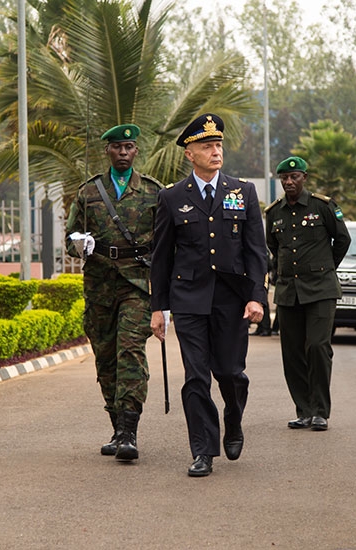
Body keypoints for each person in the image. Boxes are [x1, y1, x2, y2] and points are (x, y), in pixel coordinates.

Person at [149, 113, 268, 477]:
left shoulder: (242, 191)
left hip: (232, 299)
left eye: (218, 145)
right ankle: (203, 450)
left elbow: (256, 251)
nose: (215, 152)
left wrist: (256, 297)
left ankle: (233, 418)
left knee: (231, 373)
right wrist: (159, 308)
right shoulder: (171, 198)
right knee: (196, 377)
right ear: (190, 154)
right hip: (188, 300)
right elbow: (161, 256)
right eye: (206, 146)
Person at [65, 123, 161, 462]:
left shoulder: (153, 192)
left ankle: (129, 431)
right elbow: (70, 239)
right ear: (107, 150)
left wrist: (163, 290)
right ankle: (117, 425)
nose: (123, 152)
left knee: (130, 352)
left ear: (136, 151)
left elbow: (165, 244)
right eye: (117, 147)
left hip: (136, 284)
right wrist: (80, 246)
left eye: (129, 147)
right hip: (100, 286)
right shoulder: (89, 192)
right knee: (105, 358)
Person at [264, 156, 351, 431]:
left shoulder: (322, 206)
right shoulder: (274, 212)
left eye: (295, 177)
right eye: (285, 179)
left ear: (304, 178)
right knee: (292, 353)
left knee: (316, 347)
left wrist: (326, 268)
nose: (289, 182)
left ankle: (320, 411)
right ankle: (303, 410)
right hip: (289, 292)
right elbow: (273, 247)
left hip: (321, 289)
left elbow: (343, 239)